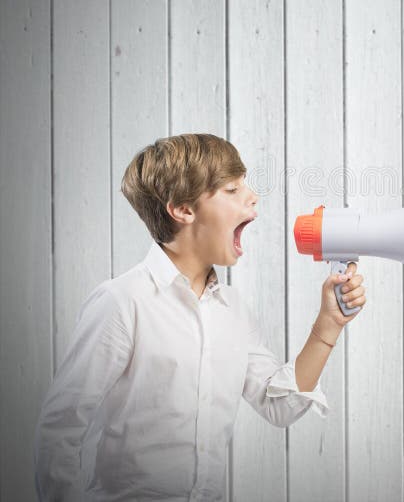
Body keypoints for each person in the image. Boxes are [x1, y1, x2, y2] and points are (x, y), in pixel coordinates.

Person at [34, 133, 366, 501]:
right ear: (183, 210)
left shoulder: (233, 311)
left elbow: (279, 404)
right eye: (231, 189)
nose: (253, 196)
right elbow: (60, 431)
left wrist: (327, 325)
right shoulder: (122, 303)